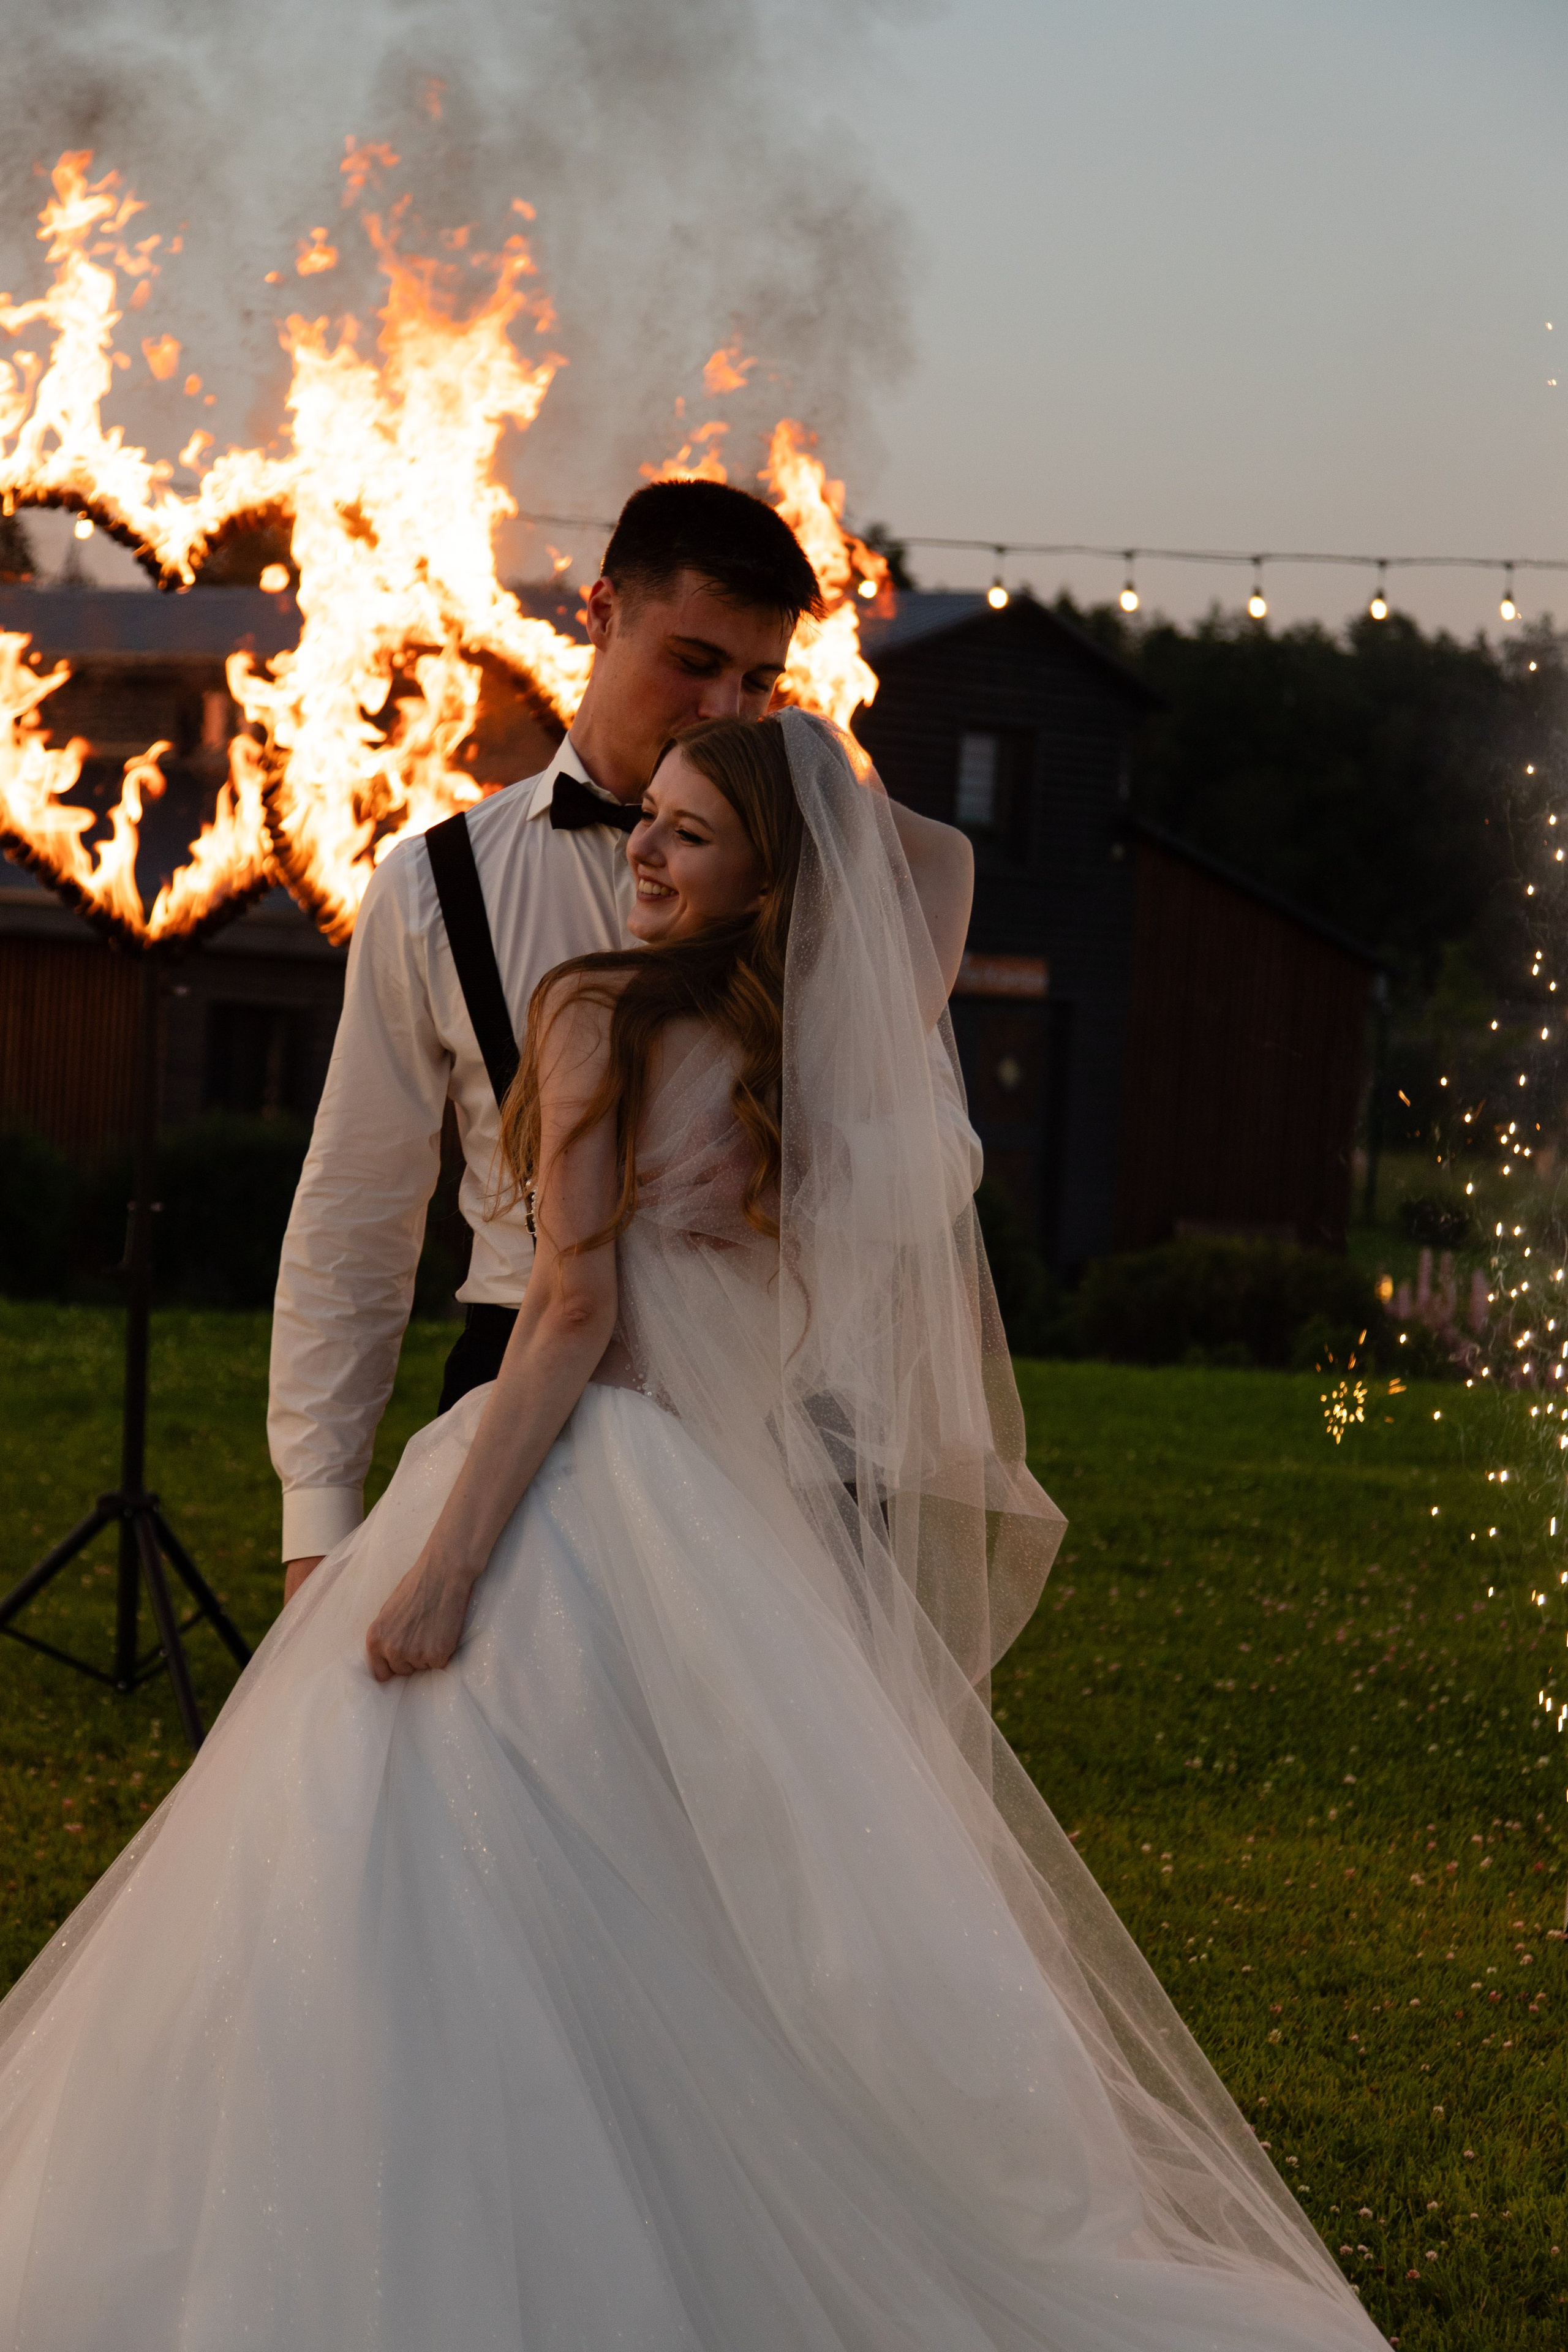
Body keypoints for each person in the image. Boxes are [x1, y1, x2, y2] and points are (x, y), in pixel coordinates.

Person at [0, 711, 1381, 2350]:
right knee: (708, 1901)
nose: (640, 857)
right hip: (727, 1512)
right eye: (643, 823)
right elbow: (923, 864)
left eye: (685, 836)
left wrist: (440, 1567)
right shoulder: (823, 1048)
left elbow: (570, 1317)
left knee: (417, 1853)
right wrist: (807, 787)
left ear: (763, 875)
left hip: (572, 1478)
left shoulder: (594, 1010)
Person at [268, 475, 824, 1604]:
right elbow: (356, 1212)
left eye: (761, 682)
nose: (726, 707)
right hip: (508, 1391)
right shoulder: (436, 889)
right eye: (695, 659)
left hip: (753, 1418)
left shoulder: (813, 890)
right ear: (601, 611)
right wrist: (318, 1520)